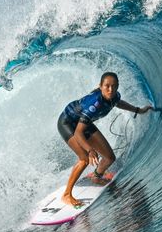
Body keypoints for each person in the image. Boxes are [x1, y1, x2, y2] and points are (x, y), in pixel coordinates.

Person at [57, 72, 152, 208]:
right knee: (84, 159)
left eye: (114, 86)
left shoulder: (114, 96)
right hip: (67, 123)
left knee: (109, 158)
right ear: (100, 86)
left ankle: (96, 176)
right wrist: (90, 150)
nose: (110, 89)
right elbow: (78, 133)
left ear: (118, 87)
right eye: (107, 86)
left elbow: (118, 103)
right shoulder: (94, 105)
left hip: (83, 123)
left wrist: (138, 110)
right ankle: (66, 195)